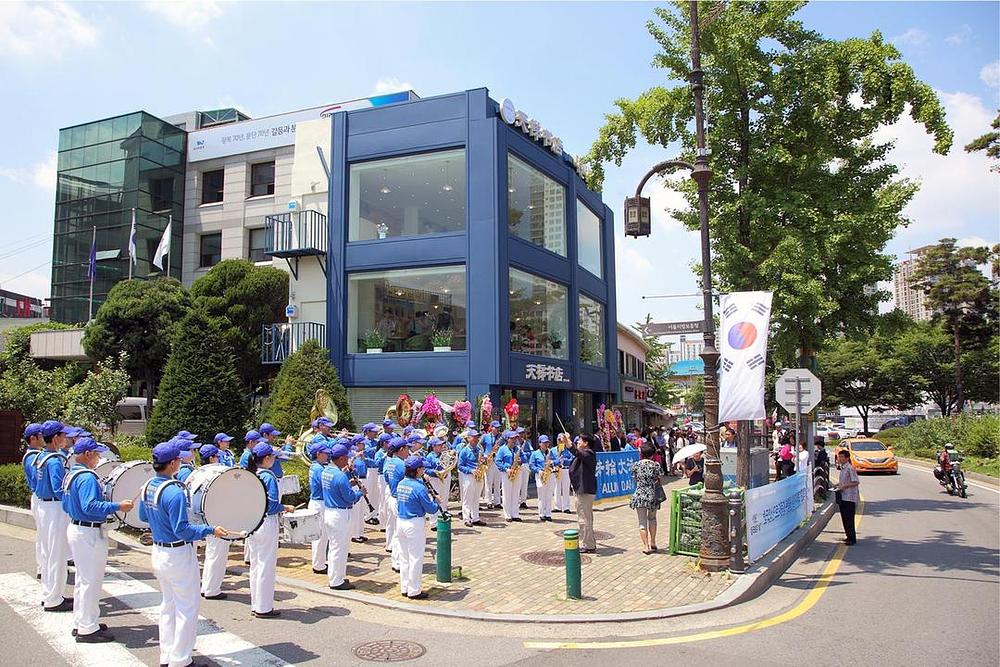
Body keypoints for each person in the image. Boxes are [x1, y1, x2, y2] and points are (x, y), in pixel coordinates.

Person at [139, 441, 227, 666]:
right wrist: (210, 529)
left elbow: (142, 516)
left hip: (158, 551)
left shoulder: (148, 485)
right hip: (177, 553)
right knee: (187, 607)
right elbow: (183, 530)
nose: (180, 461)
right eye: (178, 459)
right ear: (172, 464)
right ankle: (181, 660)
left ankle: (167, 655)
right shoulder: (174, 492)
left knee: (168, 604)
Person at [63, 436, 134, 643]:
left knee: (83, 580)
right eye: (96, 453)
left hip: (78, 528)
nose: (99, 457)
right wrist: (117, 506)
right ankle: (87, 628)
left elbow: (68, 505)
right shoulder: (87, 477)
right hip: (88, 532)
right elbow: (90, 506)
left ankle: (83, 621)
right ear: (87, 455)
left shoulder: (72, 474)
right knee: (90, 581)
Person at [246, 442, 295, 618]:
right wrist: (285, 507)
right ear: (267, 458)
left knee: (256, 564)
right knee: (266, 565)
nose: (274, 459)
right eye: (273, 456)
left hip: (252, 522)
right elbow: (272, 505)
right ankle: (264, 607)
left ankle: (256, 603)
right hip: (266, 523)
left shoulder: (251, 474)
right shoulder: (268, 476)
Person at [35, 420, 72, 612]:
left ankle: (49, 593)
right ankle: (54, 599)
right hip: (55, 508)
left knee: (49, 552)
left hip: (44, 506)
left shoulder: (42, 456)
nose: (65, 439)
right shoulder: (55, 460)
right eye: (63, 435)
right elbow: (59, 489)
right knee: (57, 554)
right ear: (56, 438)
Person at [394, 455, 441, 599]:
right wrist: (437, 502)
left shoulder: (401, 483)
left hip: (401, 521)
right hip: (414, 523)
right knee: (415, 557)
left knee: (404, 557)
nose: (424, 470)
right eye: (422, 468)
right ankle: (414, 590)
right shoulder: (419, 488)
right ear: (417, 470)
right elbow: (431, 509)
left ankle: (405, 587)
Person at [322, 443, 363, 590]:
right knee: (339, 548)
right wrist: (361, 493)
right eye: (346, 457)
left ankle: (337, 576)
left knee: (336, 547)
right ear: (340, 458)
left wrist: (349, 483)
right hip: (340, 513)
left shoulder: (327, 471)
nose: (348, 460)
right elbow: (350, 497)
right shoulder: (339, 475)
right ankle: (336, 580)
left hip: (330, 511)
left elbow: (338, 488)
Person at [196, 444, 231, 601]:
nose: (219, 458)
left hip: (203, 517)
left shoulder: (198, 472)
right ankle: (212, 589)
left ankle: (207, 586)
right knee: (218, 554)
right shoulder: (219, 471)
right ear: (211, 458)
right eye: (217, 456)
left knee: (211, 553)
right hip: (218, 516)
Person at [629, 443, 663, 555]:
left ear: (642, 454)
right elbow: (659, 479)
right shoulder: (656, 465)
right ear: (652, 454)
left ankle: (646, 546)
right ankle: (653, 542)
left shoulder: (635, 465)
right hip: (652, 495)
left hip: (639, 495)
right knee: (652, 519)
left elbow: (634, 479)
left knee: (642, 522)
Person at [21, 423, 44, 580]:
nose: (43, 438)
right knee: (44, 535)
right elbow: (37, 481)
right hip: (39, 497)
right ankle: (42, 567)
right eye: (41, 435)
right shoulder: (32, 457)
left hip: (38, 497)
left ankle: (43, 566)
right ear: (33, 438)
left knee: (44, 535)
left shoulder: (36, 454)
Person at [568, 434, 599, 553]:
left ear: (586, 443)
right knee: (585, 517)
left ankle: (588, 545)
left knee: (585, 518)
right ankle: (589, 541)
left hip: (585, 490)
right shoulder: (584, 454)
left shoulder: (588, 453)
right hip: (581, 489)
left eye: (580, 440)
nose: (577, 442)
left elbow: (577, 452)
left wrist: (568, 442)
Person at [383, 438, 410, 573]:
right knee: (400, 534)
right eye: (407, 449)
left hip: (392, 496)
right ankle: (399, 562)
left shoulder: (390, 462)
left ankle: (396, 561)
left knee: (395, 531)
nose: (409, 451)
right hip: (399, 499)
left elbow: (386, 478)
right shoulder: (402, 464)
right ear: (401, 450)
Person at [307, 436, 332, 574]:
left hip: (317, 502)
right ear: (318, 454)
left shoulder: (316, 466)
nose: (327, 455)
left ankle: (320, 562)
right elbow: (326, 485)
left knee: (321, 535)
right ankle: (319, 565)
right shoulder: (318, 469)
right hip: (319, 502)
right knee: (320, 536)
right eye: (325, 453)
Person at [456, 429, 484, 527]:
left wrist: (483, 462)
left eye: (477, 437)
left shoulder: (479, 449)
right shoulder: (464, 451)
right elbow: (460, 466)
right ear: (468, 438)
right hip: (468, 476)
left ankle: (475, 517)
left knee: (476, 497)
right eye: (474, 437)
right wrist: (471, 471)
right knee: (467, 498)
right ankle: (466, 518)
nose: (476, 439)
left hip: (478, 475)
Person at [349, 434, 374, 543]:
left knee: (361, 510)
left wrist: (363, 458)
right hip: (355, 482)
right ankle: (354, 534)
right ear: (357, 444)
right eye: (362, 443)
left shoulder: (361, 455)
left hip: (363, 479)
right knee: (356, 510)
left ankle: (360, 532)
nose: (364, 445)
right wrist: (355, 457)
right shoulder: (351, 455)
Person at [529, 435, 558, 521]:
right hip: (541, 475)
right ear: (540, 443)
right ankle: (541, 513)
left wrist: (552, 462)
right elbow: (531, 465)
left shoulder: (550, 452)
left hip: (550, 474)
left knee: (549, 495)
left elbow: (558, 460)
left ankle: (548, 514)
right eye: (544, 443)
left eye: (547, 442)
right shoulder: (535, 453)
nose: (546, 444)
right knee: (542, 495)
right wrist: (538, 471)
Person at [833, 449, 859, 545]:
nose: (839, 459)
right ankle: (848, 536)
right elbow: (843, 481)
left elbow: (856, 481)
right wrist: (838, 485)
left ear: (847, 458)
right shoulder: (843, 468)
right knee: (844, 518)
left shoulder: (850, 468)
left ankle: (852, 539)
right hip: (842, 496)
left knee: (849, 519)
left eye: (842, 457)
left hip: (849, 497)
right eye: (839, 457)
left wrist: (845, 486)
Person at [494, 431, 521, 522]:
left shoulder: (517, 448)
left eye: (515, 438)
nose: (514, 440)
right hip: (507, 472)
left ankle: (515, 513)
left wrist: (521, 460)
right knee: (507, 494)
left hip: (516, 471)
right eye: (512, 438)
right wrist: (506, 469)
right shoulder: (502, 449)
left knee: (516, 493)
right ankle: (507, 514)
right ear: (507, 439)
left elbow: (525, 458)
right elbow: (497, 461)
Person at [555, 433, 574, 514]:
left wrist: (565, 460)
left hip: (565, 469)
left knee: (566, 489)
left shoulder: (568, 450)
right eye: (559, 440)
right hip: (557, 470)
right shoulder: (553, 450)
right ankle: (557, 506)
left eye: (562, 439)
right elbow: (551, 459)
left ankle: (566, 507)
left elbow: (572, 459)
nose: (560, 441)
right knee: (557, 488)